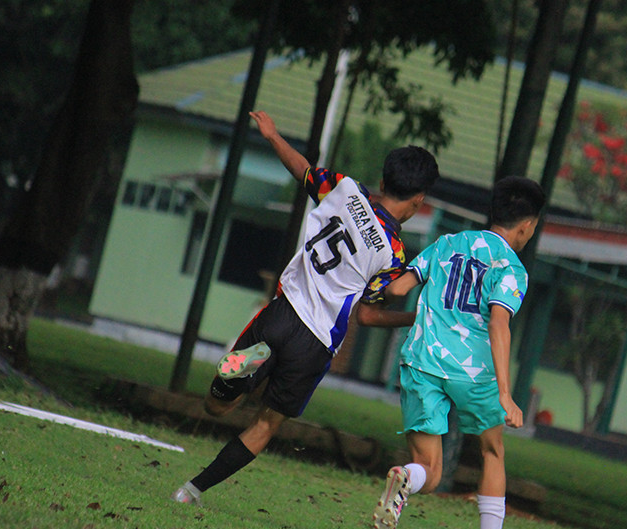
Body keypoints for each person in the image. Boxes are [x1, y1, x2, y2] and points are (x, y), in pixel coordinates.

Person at [172, 110, 439, 505]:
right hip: (314, 345)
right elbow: (365, 314)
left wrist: (273, 134)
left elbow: (303, 171)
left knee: (217, 407)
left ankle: (237, 374)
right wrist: (414, 319)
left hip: (282, 312)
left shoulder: (344, 190)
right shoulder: (393, 253)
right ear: (419, 201)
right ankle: (191, 491)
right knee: (265, 424)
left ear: (383, 181)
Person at [372, 175, 545, 529]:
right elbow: (498, 324)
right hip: (473, 373)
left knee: (429, 471)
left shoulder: (448, 242)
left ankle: (405, 480)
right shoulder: (511, 268)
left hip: (421, 360)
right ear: (526, 226)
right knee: (492, 452)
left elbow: (397, 289)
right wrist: (505, 393)